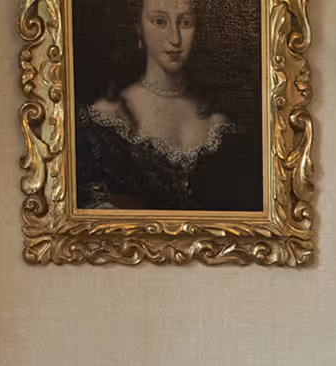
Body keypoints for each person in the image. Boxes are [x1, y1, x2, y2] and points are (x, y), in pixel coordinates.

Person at [74, 0, 262, 211]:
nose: (175, 39)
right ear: (139, 27)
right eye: (160, 22)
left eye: (186, 23)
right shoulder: (108, 119)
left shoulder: (222, 125)